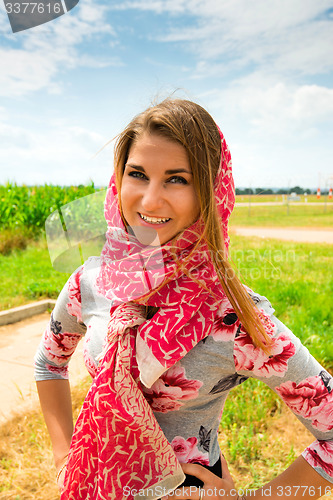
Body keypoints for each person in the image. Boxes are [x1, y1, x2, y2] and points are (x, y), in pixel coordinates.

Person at [34, 99, 333, 500]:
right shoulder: (91, 281)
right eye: (137, 174)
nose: (150, 200)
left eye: (177, 179)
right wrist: (63, 456)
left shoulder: (231, 319)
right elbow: (49, 363)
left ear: (211, 191)